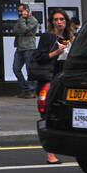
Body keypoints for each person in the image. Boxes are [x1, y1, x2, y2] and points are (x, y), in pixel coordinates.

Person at [32, 9, 74, 164]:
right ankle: (51, 154)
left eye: (62, 19)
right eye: (56, 19)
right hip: (49, 80)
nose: (59, 22)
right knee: (49, 116)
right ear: (52, 22)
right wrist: (56, 51)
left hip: (65, 80)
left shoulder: (70, 38)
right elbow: (40, 57)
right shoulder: (48, 37)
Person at [11, 3, 40, 97]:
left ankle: (32, 91)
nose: (19, 13)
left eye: (21, 11)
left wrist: (23, 24)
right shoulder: (20, 20)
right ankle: (25, 88)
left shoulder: (33, 20)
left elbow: (24, 29)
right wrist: (25, 30)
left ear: (27, 10)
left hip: (29, 48)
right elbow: (15, 30)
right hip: (20, 47)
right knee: (16, 68)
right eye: (19, 11)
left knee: (30, 70)